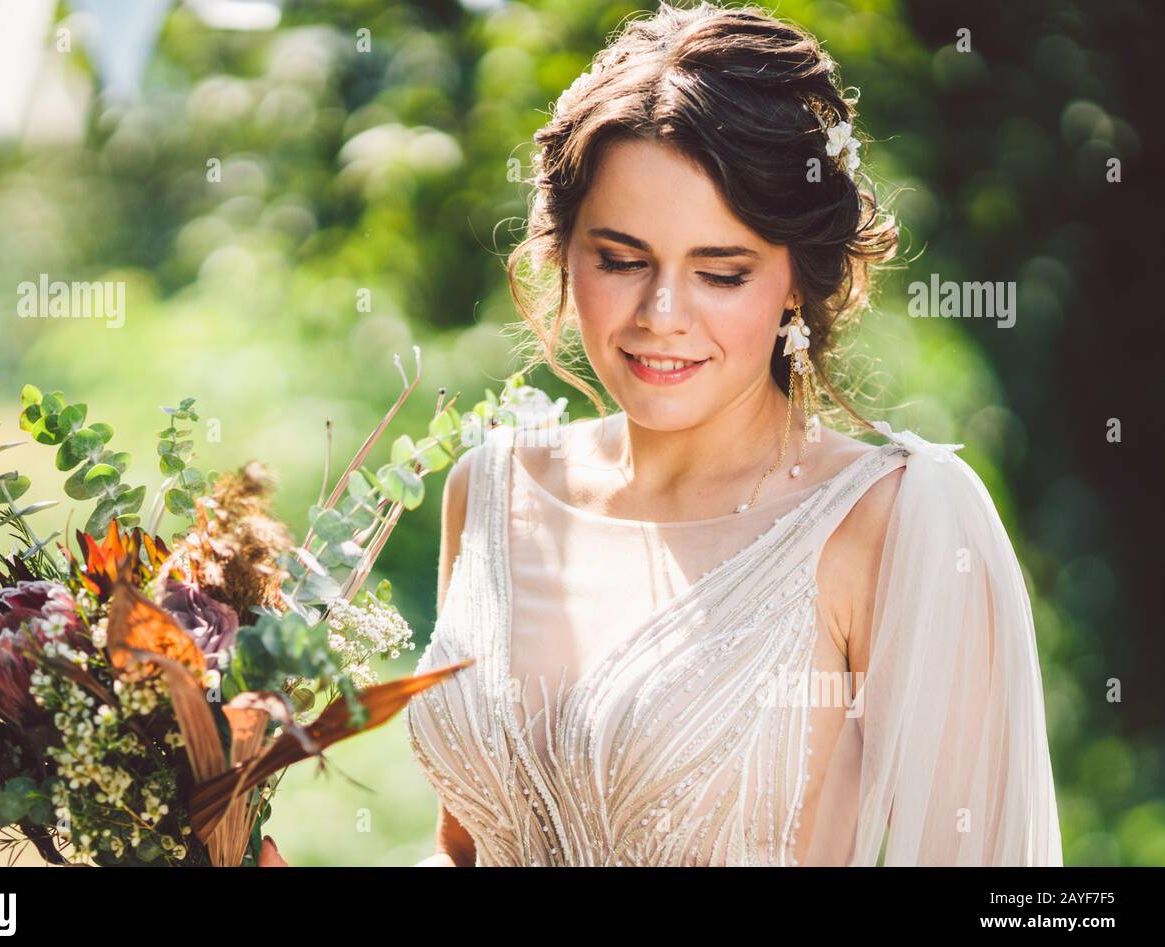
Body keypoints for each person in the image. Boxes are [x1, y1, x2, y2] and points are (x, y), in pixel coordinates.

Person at [399, 1, 1063, 867]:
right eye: (622, 259)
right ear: (564, 252)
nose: (661, 316)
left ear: (796, 279)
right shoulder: (489, 490)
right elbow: (462, 855)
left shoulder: (893, 523)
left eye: (720, 271)